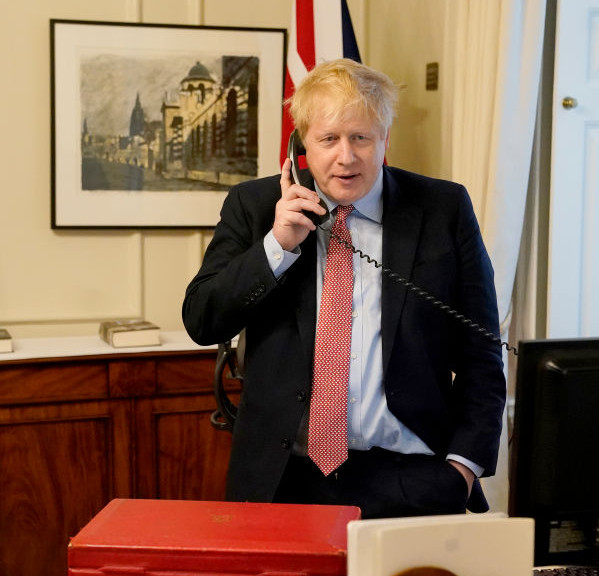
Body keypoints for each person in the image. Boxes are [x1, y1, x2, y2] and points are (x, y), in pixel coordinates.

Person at [182, 58, 505, 518]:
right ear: (301, 147)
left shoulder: (441, 208)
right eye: (329, 139)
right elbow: (202, 319)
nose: (346, 157)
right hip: (284, 478)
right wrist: (277, 246)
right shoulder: (254, 208)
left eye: (361, 138)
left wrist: (463, 467)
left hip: (414, 477)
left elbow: (482, 352)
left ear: (384, 140)